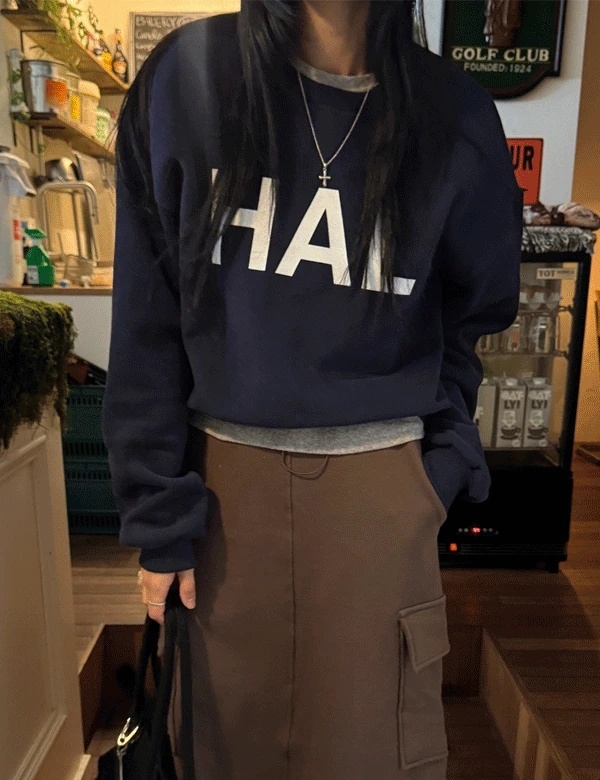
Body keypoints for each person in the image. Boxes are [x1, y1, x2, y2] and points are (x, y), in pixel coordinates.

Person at [102, 1, 523, 778]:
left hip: (383, 494)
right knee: (218, 755)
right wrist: (158, 515)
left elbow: (474, 313)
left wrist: (435, 471)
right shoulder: (189, 79)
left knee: (378, 758)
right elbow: (147, 318)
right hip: (220, 498)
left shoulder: (455, 114)